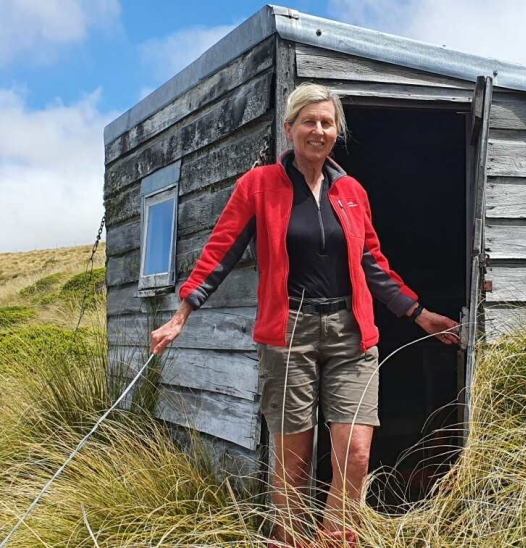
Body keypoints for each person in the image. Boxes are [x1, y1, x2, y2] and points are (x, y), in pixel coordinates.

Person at [150, 83, 459, 547]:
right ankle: (289, 539)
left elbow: (372, 262)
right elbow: (220, 251)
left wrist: (417, 313)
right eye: (309, 121)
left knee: (354, 453)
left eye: (327, 123)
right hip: (288, 332)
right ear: (289, 128)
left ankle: (336, 538)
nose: (319, 130)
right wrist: (182, 313)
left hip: (352, 335)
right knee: (293, 459)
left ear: (337, 132)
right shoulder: (257, 186)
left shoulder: (351, 191)